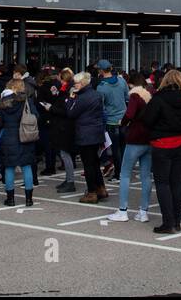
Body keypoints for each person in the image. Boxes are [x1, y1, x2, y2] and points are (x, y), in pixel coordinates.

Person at [142, 69, 181, 234]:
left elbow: (147, 120)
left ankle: (168, 222)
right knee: (177, 182)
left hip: (162, 143)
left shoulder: (158, 98)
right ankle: (176, 222)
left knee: (163, 184)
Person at [109, 72, 153, 223]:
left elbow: (129, 114)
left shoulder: (134, 96)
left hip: (135, 138)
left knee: (125, 174)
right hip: (149, 139)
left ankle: (122, 211)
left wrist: (122, 122)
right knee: (146, 176)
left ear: (131, 84)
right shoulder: (150, 94)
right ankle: (143, 211)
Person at [61, 72, 106, 203]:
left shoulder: (82, 97)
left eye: (76, 83)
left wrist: (70, 98)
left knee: (88, 165)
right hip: (96, 132)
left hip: (86, 133)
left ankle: (91, 192)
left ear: (83, 83)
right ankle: (101, 188)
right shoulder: (97, 94)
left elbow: (70, 113)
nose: (74, 85)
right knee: (95, 163)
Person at [0, 80, 38, 206]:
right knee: (26, 166)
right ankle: (29, 199)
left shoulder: (3, 103)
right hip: (25, 136)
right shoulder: (26, 101)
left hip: (8, 138)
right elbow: (36, 116)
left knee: (9, 168)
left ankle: (10, 199)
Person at [40, 68, 76, 193]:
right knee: (64, 154)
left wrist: (51, 108)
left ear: (62, 78)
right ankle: (68, 179)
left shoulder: (68, 91)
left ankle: (70, 181)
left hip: (64, 127)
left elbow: (66, 111)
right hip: (62, 126)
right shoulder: (65, 90)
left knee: (65, 154)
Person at [97, 64, 128, 183]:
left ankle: (118, 174)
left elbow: (101, 106)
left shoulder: (101, 87)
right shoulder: (121, 81)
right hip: (124, 119)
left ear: (101, 71)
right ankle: (124, 173)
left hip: (111, 120)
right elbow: (127, 97)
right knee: (124, 148)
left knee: (116, 150)